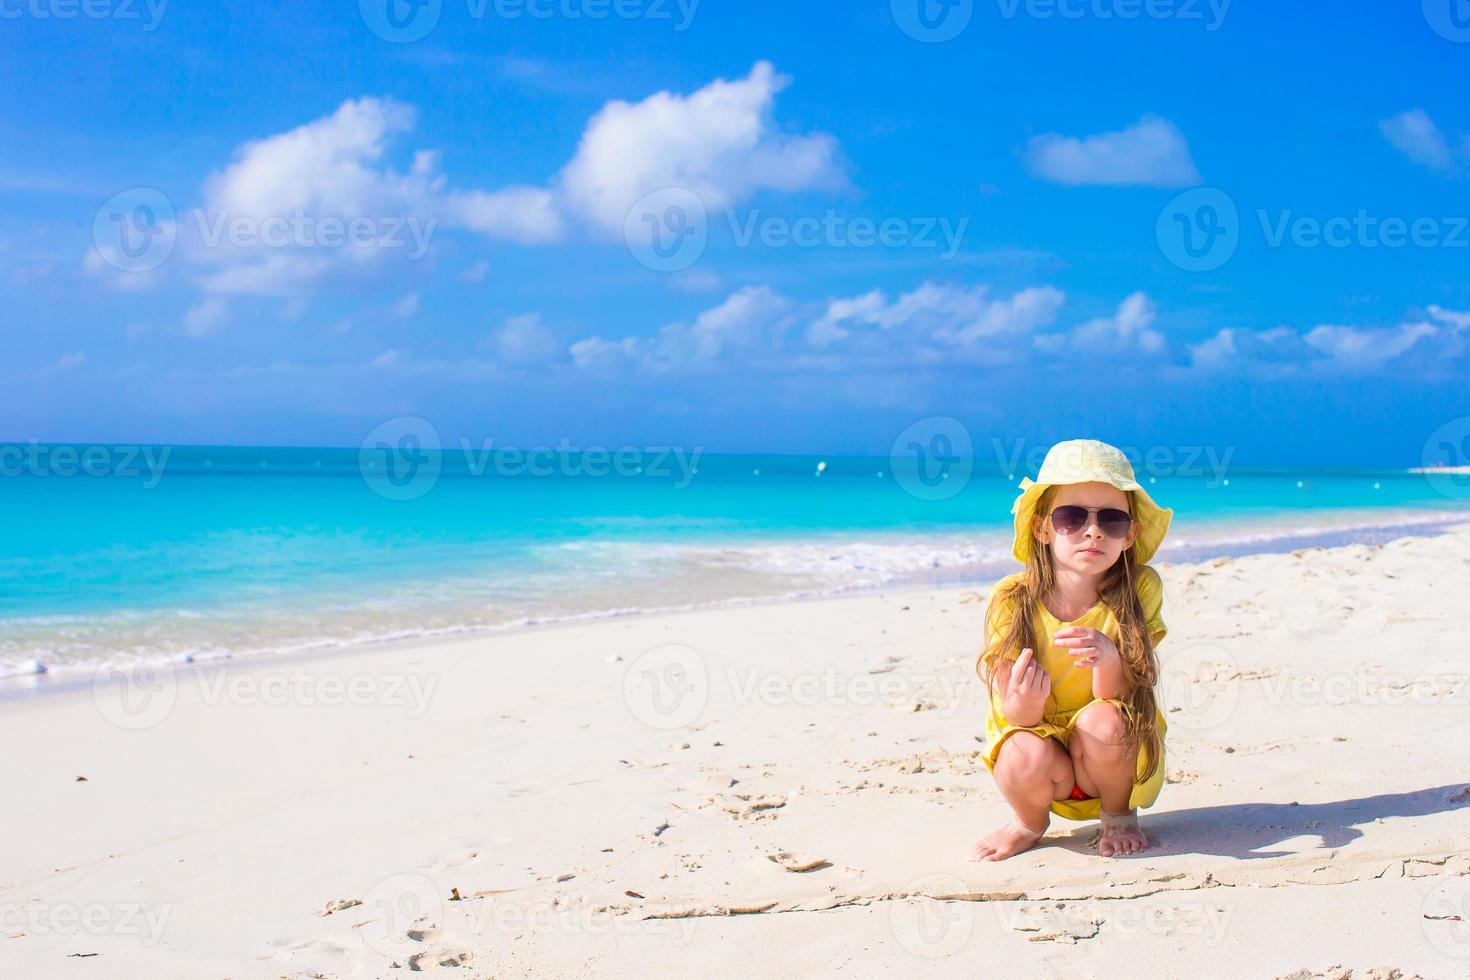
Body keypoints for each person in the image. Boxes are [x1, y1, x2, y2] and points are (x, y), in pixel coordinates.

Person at [972, 439, 1172, 861]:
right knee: (1020, 749)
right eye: (1072, 516)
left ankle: (1118, 815)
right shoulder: (1013, 598)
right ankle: (1028, 821)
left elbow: (1121, 700)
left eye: (1112, 520)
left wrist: (1110, 659)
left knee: (1104, 720)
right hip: (1042, 760)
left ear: (1130, 533)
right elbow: (1016, 718)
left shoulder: (1139, 589)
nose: (1093, 530)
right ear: (1043, 528)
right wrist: (1026, 701)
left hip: (1113, 755)